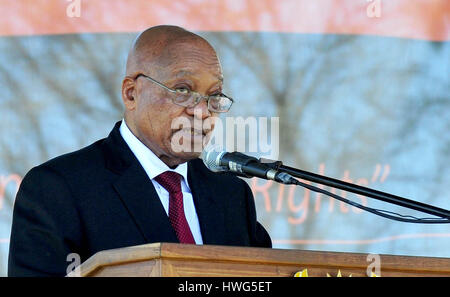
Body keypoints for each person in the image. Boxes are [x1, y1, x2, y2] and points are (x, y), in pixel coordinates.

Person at [8, 25, 271, 276]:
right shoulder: (58, 188)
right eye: (182, 90)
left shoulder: (231, 195)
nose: (202, 112)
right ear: (131, 93)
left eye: (214, 96)